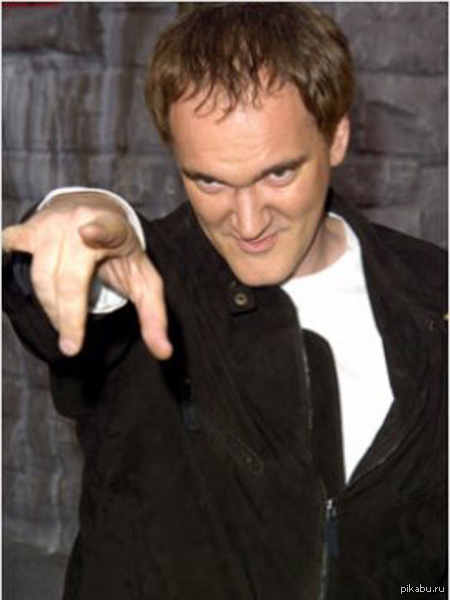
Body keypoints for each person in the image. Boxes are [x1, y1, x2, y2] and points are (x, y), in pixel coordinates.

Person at [3, 4, 447, 599]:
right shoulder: (148, 282)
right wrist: (69, 220)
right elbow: (57, 306)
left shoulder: (433, 289)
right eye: (208, 180)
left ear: (336, 136)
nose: (248, 221)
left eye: (277, 174)